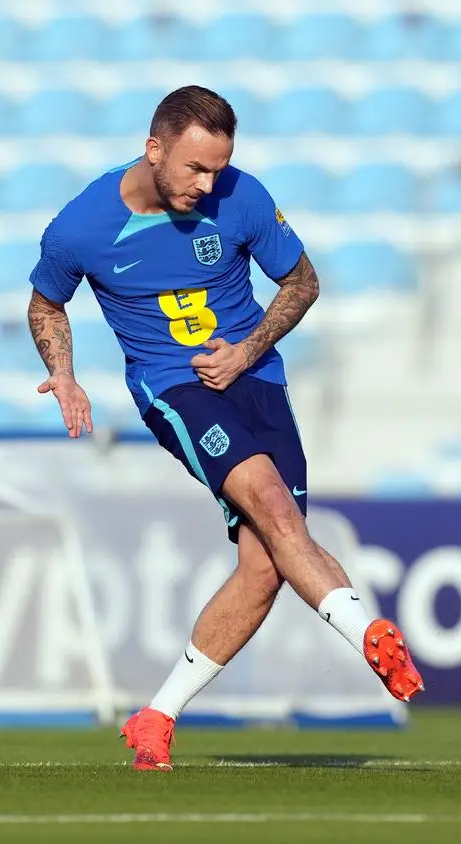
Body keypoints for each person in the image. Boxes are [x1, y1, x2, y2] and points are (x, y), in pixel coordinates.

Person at [25, 85, 424, 771]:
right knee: (272, 505)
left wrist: (248, 348)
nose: (207, 184)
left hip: (258, 379)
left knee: (268, 563)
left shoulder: (240, 197)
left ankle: (155, 717)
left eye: (218, 169)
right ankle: (370, 634)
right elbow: (47, 305)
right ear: (155, 150)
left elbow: (302, 282)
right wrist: (64, 373)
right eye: (194, 169)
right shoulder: (82, 227)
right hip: (175, 386)